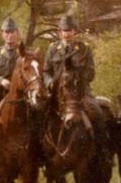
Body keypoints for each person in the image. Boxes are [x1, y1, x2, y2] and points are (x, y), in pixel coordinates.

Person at [43, 14, 109, 164]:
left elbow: (91, 72)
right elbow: (46, 71)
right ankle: (41, 155)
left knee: (97, 113)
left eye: (70, 30)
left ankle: (101, 152)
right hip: (57, 93)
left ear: (75, 31)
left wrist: (79, 80)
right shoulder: (53, 49)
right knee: (39, 113)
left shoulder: (84, 49)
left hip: (80, 92)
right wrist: (49, 83)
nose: (67, 33)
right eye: (64, 30)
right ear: (60, 32)